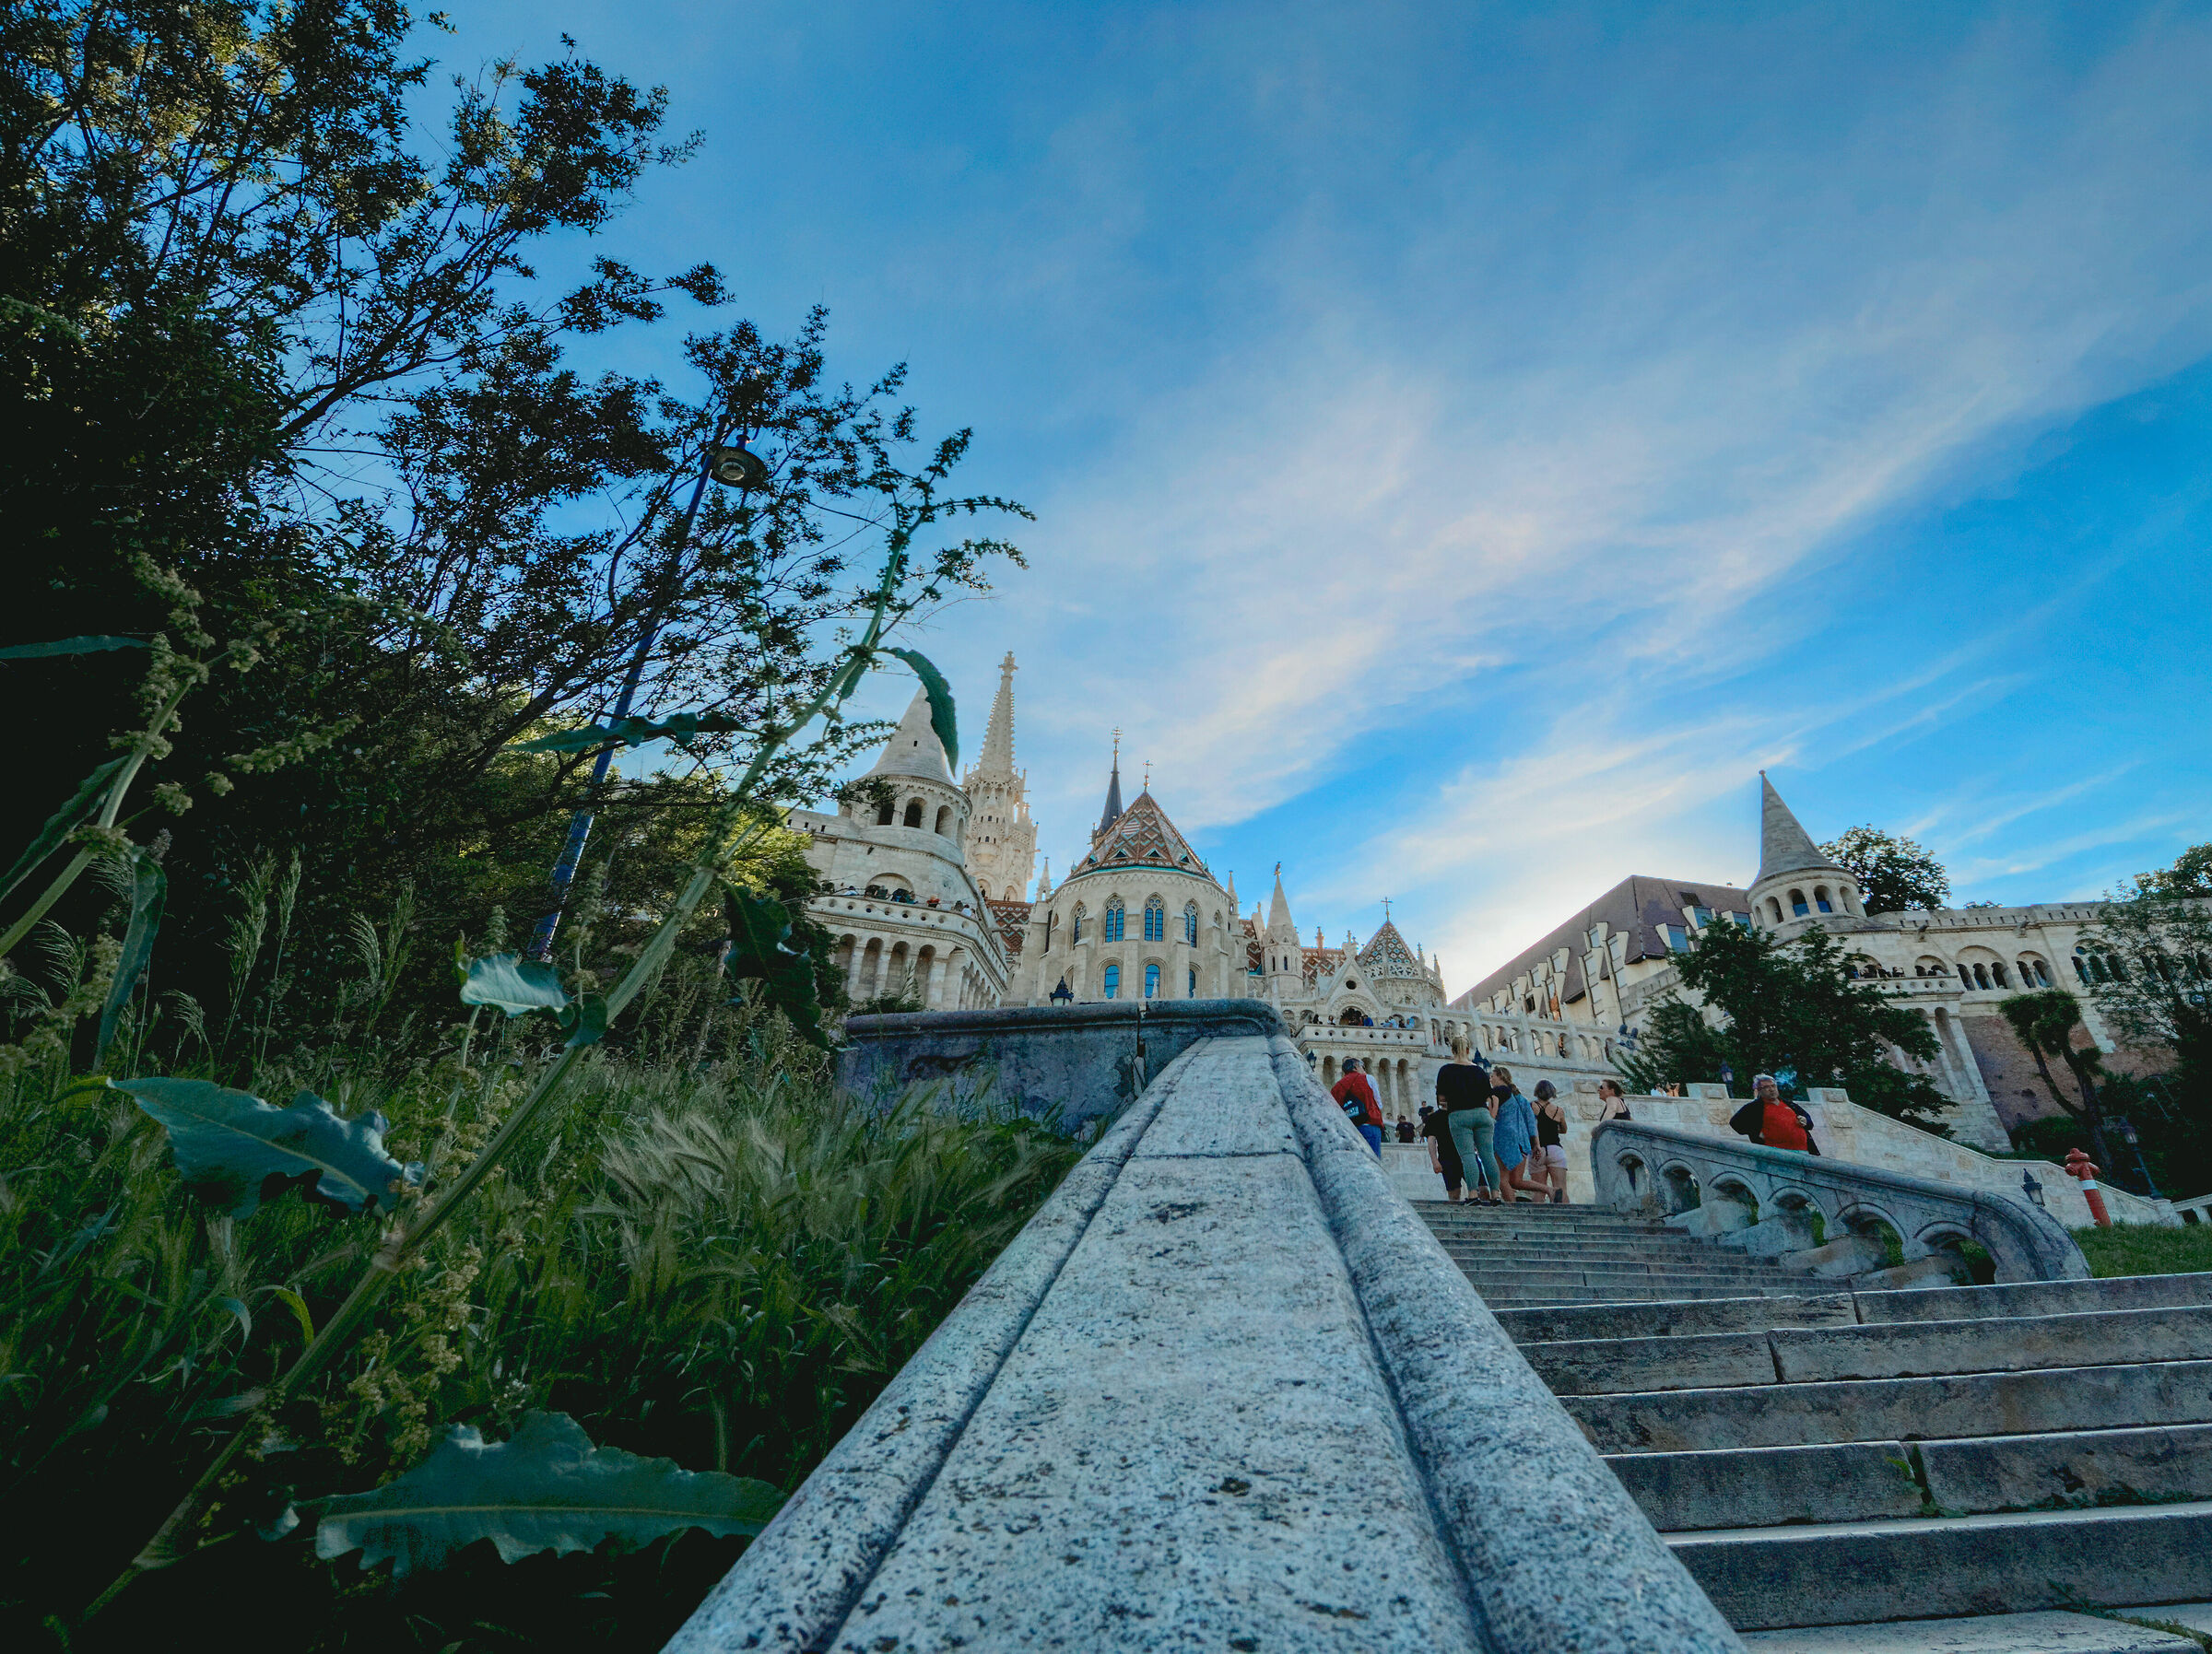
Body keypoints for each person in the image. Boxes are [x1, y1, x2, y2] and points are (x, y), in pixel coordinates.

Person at [1434, 1038, 1500, 1204]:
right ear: (1468, 1049)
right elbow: (1488, 1095)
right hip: (1482, 1114)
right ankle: (1495, 1194)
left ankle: (1472, 1194)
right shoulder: (1478, 1071)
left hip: (1459, 1115)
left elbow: (1441, 1098)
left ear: (1453, 1050)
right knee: (1488, 1154)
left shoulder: (1446, 1070)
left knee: (1468, 1155)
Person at [1729, 1073, 1821, 1155]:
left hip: (1803, 1151)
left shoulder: (1789, 1104)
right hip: (1776, 1154)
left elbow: (1809, 1122)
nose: (1771, 1089)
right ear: (1759, 1090)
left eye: (1773, 1086)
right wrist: (1757, 1133)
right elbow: (1735, 1123)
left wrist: (1805, 1121)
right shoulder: (1754, 1107)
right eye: (1767, 1087)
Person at [1490, 1065, 1542, 1202]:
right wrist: (1536, 1144)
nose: (1490, 1079)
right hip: (1522, 1142)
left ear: (1500, 1076)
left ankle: (1512, 1210)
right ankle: (1550, 1190)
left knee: (1502, 1180)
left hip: (1506, 1139)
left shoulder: (1500, 1093)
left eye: (1492, 1076)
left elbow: (1492, 1114)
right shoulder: (1521, 1100)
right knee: (1515, 1181)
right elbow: (1531, 1123)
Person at [1331, 1057, 1384, 1155]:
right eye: (1362, 1067)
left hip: (1348, 1130)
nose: (1364, 1070)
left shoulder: (1337, 1087)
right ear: (1355, 1067)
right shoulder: (1368, 1078)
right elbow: (1378, 1104)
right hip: (1369, 1125)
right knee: (1373, 1162)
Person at [1532, 1079, 1571, 1203]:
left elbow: (1530, 1127)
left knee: (1539, 1190)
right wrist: (1552, 1130)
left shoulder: (1532, 1106)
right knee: (1561, 1189)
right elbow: (1564, 1130)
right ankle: (1567, 1219)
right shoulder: (1558, 1110)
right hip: (1556, 1149)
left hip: (1537, 1150)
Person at [1419, 1102, 1465, 1202]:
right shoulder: (1435, 1117)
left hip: (1467, 1156)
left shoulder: (1463, 1113)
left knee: (1482, 1189)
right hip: (1447, 1157)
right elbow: (1431, 1140)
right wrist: (1435, 1161)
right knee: (1454, 1193)